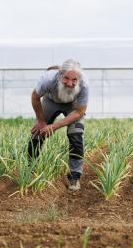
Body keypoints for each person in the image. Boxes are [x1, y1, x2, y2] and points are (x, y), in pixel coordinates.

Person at [27, 59, 88, 191]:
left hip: (74, 106)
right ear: (60, 74)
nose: (70, 83)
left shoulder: (84, 84)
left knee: (76, 136)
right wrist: (41, 121)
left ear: (79, 79)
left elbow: (79, 112)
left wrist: (54, 127)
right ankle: (30, 172)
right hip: (51, 101)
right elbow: (35, 97)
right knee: (37, 133)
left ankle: (74, 177)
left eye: (74, 80)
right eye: (66, 78)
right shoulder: (48, 79)